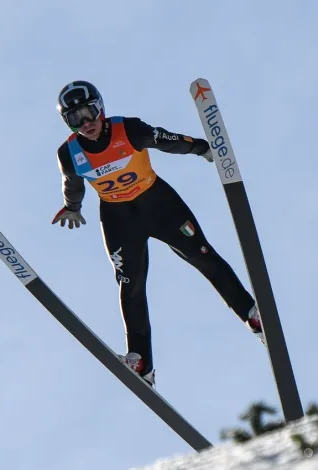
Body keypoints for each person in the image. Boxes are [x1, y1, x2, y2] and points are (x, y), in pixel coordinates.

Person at [51, 80, 264, 387]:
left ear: (100, 108)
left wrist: (203, 147)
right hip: (118, 218)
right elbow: (72, 183)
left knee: (201, 255)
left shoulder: (129, 130)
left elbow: (168, 140)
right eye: (75, 119)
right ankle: (141, 362)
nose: (85, 124)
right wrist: (72, 206)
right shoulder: (69, 153)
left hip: (158, 204)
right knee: (130, 285)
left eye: (88, 113)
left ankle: (253, 316)